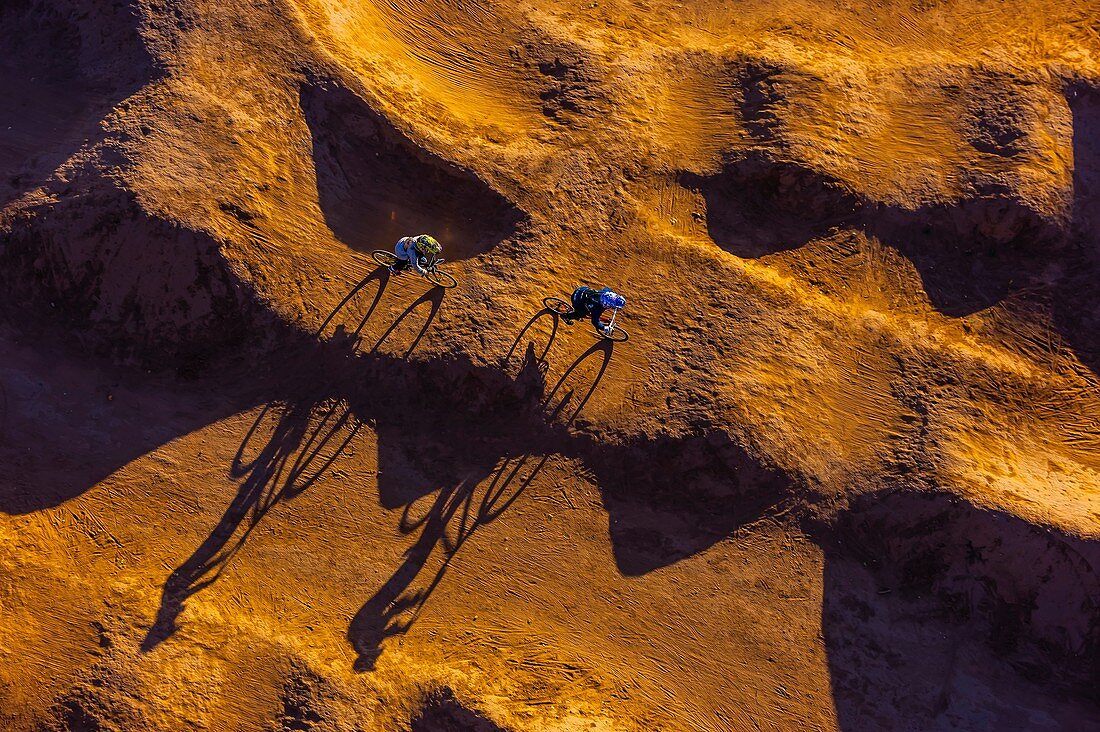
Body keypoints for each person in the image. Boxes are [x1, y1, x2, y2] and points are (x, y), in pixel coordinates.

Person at [561, 285, 626, 335]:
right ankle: (566, 316)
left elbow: (607, 288)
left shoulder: (606, 292)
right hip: (577, 300)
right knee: (581, 313)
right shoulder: (597, 309)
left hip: (582, 290)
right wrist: (604, 328)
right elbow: (595, 322)